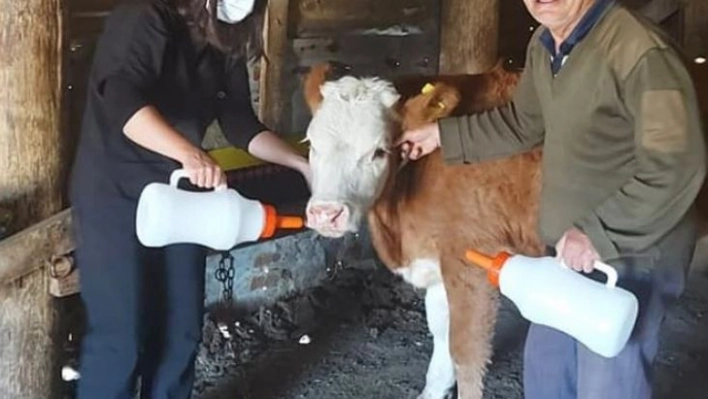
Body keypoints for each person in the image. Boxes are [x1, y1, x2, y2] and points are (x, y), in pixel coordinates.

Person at [397, 0, 706, 398]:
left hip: (632, 254)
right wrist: (440, 136)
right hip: (567, 254)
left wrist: (597, 232)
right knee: (547, 373)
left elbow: (678, 164)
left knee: (607, 385)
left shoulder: (639, 52)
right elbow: (522, 123)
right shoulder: (546, 44)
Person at [68, 0, 310, 397]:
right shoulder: (145, 16)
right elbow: (121, 99)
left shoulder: (226, 35)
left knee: (182, 330)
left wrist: (299, 164)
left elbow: (237, 119)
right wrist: (188, 152)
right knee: (121, 336)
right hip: (116, 192)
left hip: (182, 194)